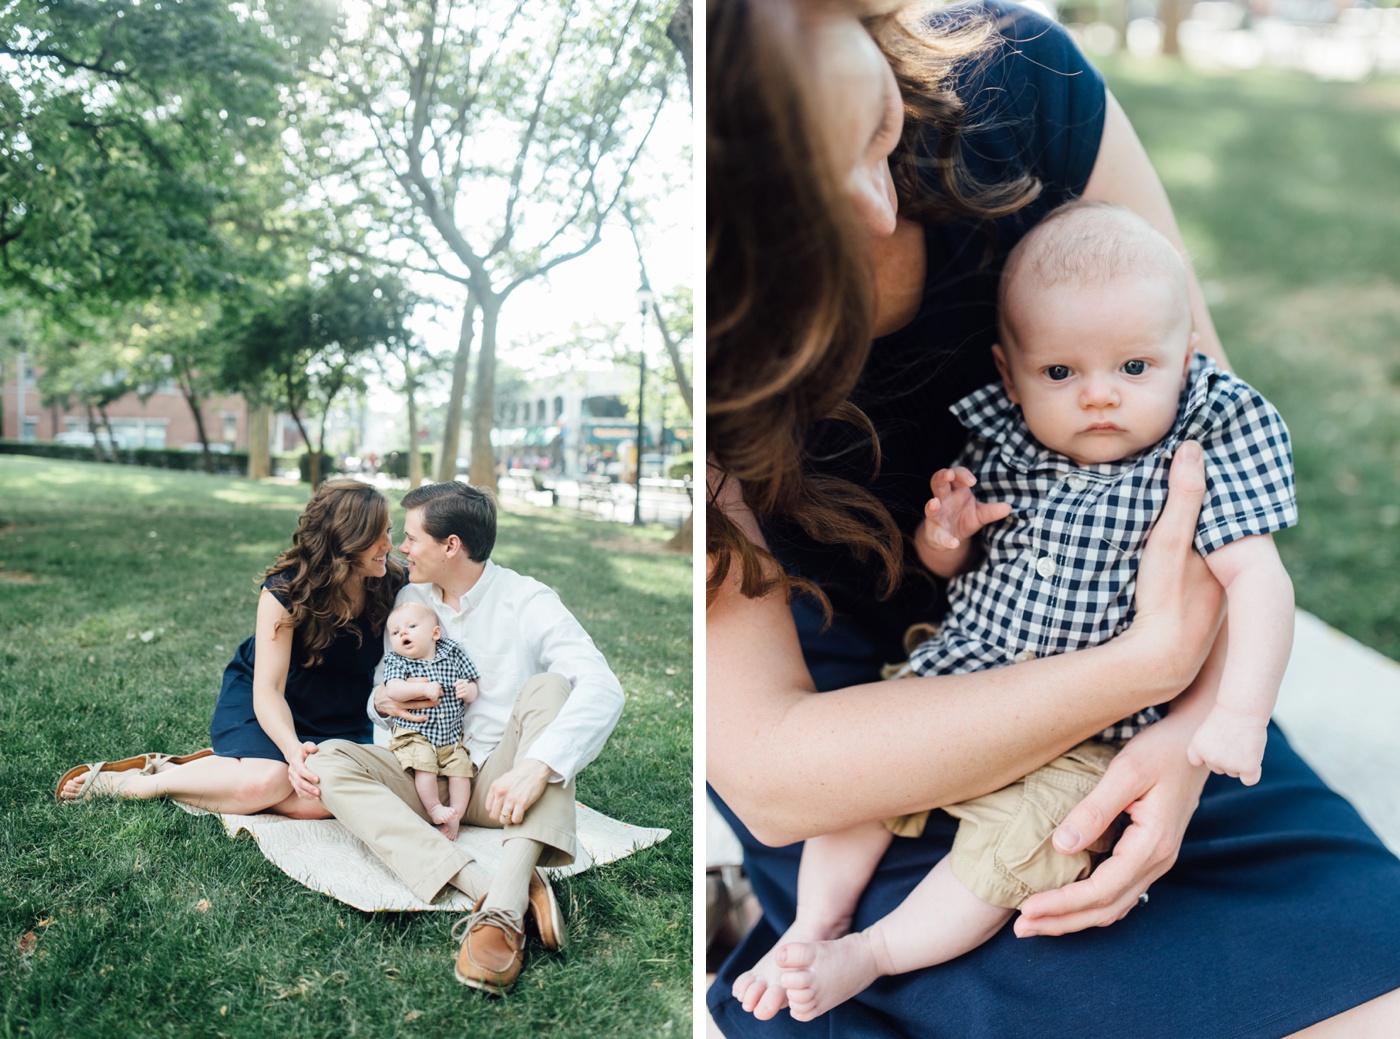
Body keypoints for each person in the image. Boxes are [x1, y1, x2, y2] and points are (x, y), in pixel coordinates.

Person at [706, 0, 1400, 1035]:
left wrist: (1183, 725)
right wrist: (1142, 664)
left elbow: (1203, 450)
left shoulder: (1015, 78)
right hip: (868, 721)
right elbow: (771, 767)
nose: (869, 209)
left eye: (850, 135)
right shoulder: (682, 339)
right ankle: (810, 929)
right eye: (786, 206)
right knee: (985, 922)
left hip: (1156, 710)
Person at [744, 199, 1299, 1021]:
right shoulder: (1007, 445)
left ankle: (873, 950)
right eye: (1062, 373)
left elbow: (1260, 581)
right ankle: (815, 925)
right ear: (1011, 375)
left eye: (1134, 368)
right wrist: (945, 534)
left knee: (1006, 861)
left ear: (1185, 356)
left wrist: (1236, 713)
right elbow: (950, 565)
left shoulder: (1201, 444)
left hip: (1091, 732)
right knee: (855, 793)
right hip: (959, 669)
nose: (1100, 397)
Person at [305, 482, 625, 995]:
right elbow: (378, 696)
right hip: (423, 772)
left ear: (451, 545)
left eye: (411, 538)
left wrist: (535, 768)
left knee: (551, 687)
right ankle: (492, 886)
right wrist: (384, 701)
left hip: (503, 781)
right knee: (326, 762)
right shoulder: (410, 598)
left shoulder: (527, 600)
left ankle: (501, 916)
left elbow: (603, 687)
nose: (401, 549)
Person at [57, 479, 402, 817]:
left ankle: (218, 771)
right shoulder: (286, 591)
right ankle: (142, 783)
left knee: (320, 799)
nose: (390, 544)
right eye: (379, 536)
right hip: (269, 702)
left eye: (389, 531)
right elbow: (268, 689)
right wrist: (293, 751)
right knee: (266, 782)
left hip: (340, 712)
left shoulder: (392, 584)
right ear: (346, 540)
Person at [382, 600, 482, 841]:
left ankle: (455, 817)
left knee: (461, 771)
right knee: (423, 765)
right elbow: (393, 689)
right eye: (395, 632)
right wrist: (423, 690)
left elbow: (472, 681)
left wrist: (469, 691)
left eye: (411, 626)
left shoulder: (452, 651)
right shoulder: (397, 660)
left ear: (435, 633)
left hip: (450, 736)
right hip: (415, 733)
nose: (402, 633)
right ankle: (435, 808)